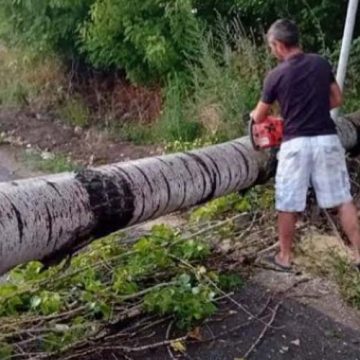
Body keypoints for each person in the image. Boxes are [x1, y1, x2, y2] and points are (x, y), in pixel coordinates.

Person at [251, 19, 360, 271]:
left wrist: (284, 116)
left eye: (271, 47)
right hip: (326, 140)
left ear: (278, 45)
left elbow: (258, 117)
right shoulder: (320, 63)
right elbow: (336, 99)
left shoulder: (275, 75)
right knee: (342, 199)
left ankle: (284, 258)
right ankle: (358, 254)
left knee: (288, 202)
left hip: (295, 144)